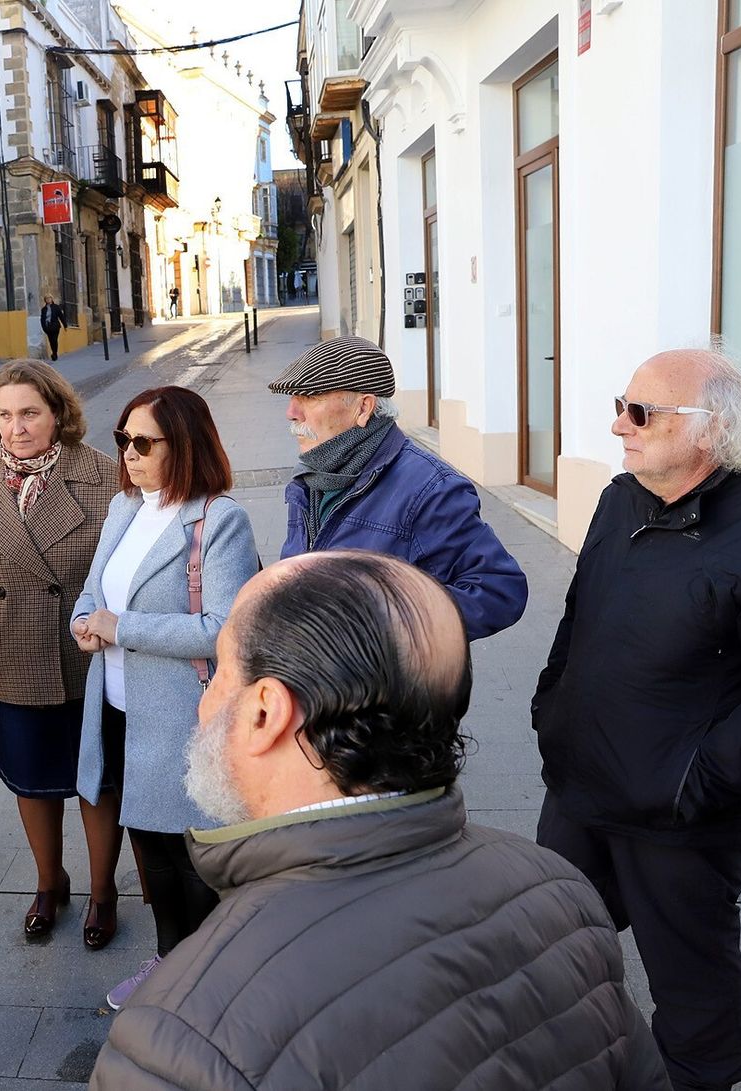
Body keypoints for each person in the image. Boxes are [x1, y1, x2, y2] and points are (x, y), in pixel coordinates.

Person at [91, 550, 669, 1090]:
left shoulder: (181, 1039)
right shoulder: (561, 892)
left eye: (217, 670)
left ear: (266, 711)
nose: (205, 699)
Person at [534, 349, 741, 1091]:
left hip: (681, 816)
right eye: (622, 403)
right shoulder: (621, 497)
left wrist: (699, 783)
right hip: (580, 787)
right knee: (554, 956)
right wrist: (552, 708)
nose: (618, 424)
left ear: (709, 430)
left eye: (641, 412)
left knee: (693, 992)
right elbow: (580, 614)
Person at [72, 386, 258, 1009]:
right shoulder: (126, 508)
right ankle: (168, 962)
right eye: (123, 439)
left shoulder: (218, 519)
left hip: (182, 714)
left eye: (143, 442)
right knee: (149, 845)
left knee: (191, 855)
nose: (128, 452)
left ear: (185, 444)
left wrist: (119, 627)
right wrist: (83, 619)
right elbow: (95, 590)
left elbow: (223, 627)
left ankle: (203, 982)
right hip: (122, 709)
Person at [0, 360, 121, 941]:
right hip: (13, 663)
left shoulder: (104, 477)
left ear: (58, 414)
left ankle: (103, 890)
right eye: (6, 414)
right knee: (31, 781)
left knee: (97, 781)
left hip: (88, 662)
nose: (16, 427)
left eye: (29, 413)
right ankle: (50, 882)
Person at [269, 335, 527, 640]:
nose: (291, 412)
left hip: (385, 685)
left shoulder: (430, 488)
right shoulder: (313, 476)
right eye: (292, 398)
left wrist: (383, 623)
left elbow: (499, 589)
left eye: (309, 396)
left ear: (364, 407)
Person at [40, 294, 65, 361]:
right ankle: (53, 352)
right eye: (47, 299)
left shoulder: (56, 307)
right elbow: (42, 319)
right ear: (45, 300)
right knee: (51, 341)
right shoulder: (43, 309)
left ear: (52, 299)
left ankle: (54, 353)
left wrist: (65, 325)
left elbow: (61, 316)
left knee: (54, 340)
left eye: (49, 298)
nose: (48, 300)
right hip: (48, 327)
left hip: (55, 326)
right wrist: (44, 327)